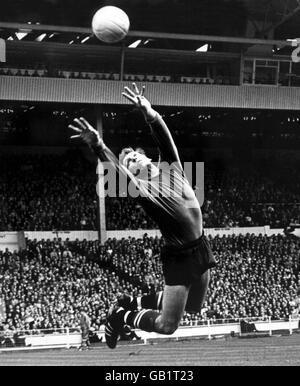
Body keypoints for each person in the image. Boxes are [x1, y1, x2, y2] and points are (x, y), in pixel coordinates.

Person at [69, 83, 216, 349]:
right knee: (167, 326)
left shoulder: (173, 170)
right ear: (133, 174)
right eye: (129, 162)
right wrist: (100, 146)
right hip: (180, 257)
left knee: (196, 306)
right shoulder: (145, 192)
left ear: (146, 158)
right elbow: (118, 172)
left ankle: (132, 302)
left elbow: (164, 138)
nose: (134, 158)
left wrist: (149, 112)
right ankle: (120, 316)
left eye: (135, 155)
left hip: (201, 246)